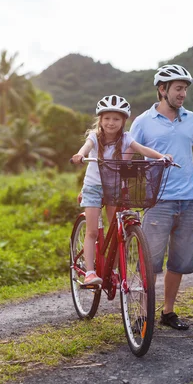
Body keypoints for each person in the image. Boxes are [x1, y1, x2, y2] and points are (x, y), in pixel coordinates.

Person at [130, 64, 193, 330]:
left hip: (189, 200)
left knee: (179, 263)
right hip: (157, 202)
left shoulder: (192, 119)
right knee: (149, 263)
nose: (183, 94)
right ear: (162, 89)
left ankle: (168, 312)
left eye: (185, 89)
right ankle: (142, 314)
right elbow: (126, 153)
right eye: (178, 89)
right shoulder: (143, 121)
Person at [72, 95, 172, 285]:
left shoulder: (126, 139)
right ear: (100, 120)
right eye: (107, 118)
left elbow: (143, 150)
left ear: (124, 121)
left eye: (116, 119)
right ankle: (90, 272)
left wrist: (162, 157)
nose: (111, 123)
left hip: (115, 188)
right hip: (93, 188)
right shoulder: (94, 137)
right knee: (92, 231)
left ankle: (115, 269)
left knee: (117, 231)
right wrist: (80, 155)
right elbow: (86, 147)